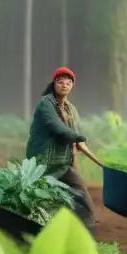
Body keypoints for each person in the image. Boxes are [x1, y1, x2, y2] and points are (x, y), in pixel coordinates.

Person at [24, 66, 96, 232]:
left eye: (68, 82)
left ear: (72, 86)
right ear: (54, 84)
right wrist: (78, 138)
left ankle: (87, 232)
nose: (64, 85)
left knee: (83, 197)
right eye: (61, 82)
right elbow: (56, 127)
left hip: (64, 164)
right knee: (37, 200)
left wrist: (79, 140)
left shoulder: (71, 109)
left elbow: (76, 131)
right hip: (42, 165)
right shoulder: (45, 103)